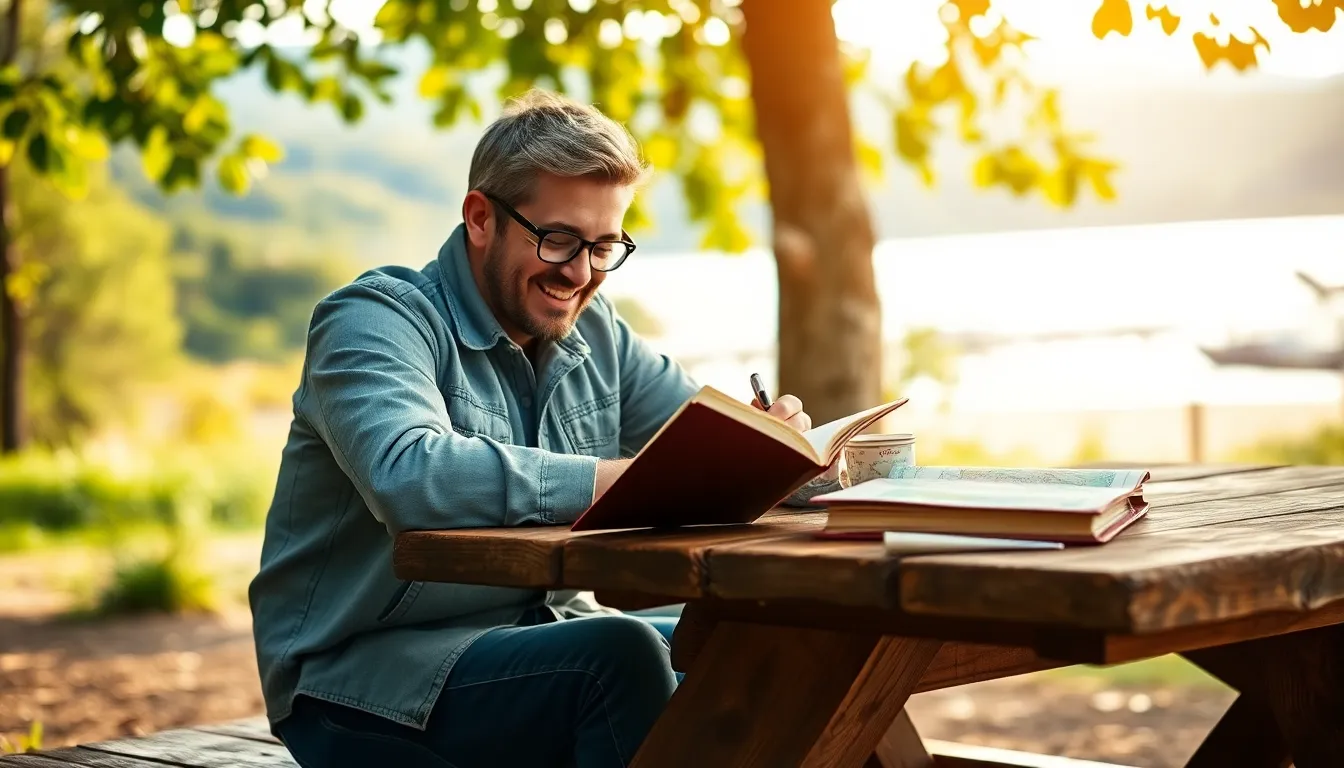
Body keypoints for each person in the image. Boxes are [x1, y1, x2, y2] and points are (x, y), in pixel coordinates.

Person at [248, 89, 818, 768]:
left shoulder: (599, 333)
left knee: (772, 644)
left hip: (545, 635)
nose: (580, 274)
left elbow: (710, 439)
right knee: (621, 656)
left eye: (604, 247)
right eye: (558, 240)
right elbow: (410, 474)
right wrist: (624, 481)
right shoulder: (372, 320)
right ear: (480, 217)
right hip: (354, 682)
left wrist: (789, 455)